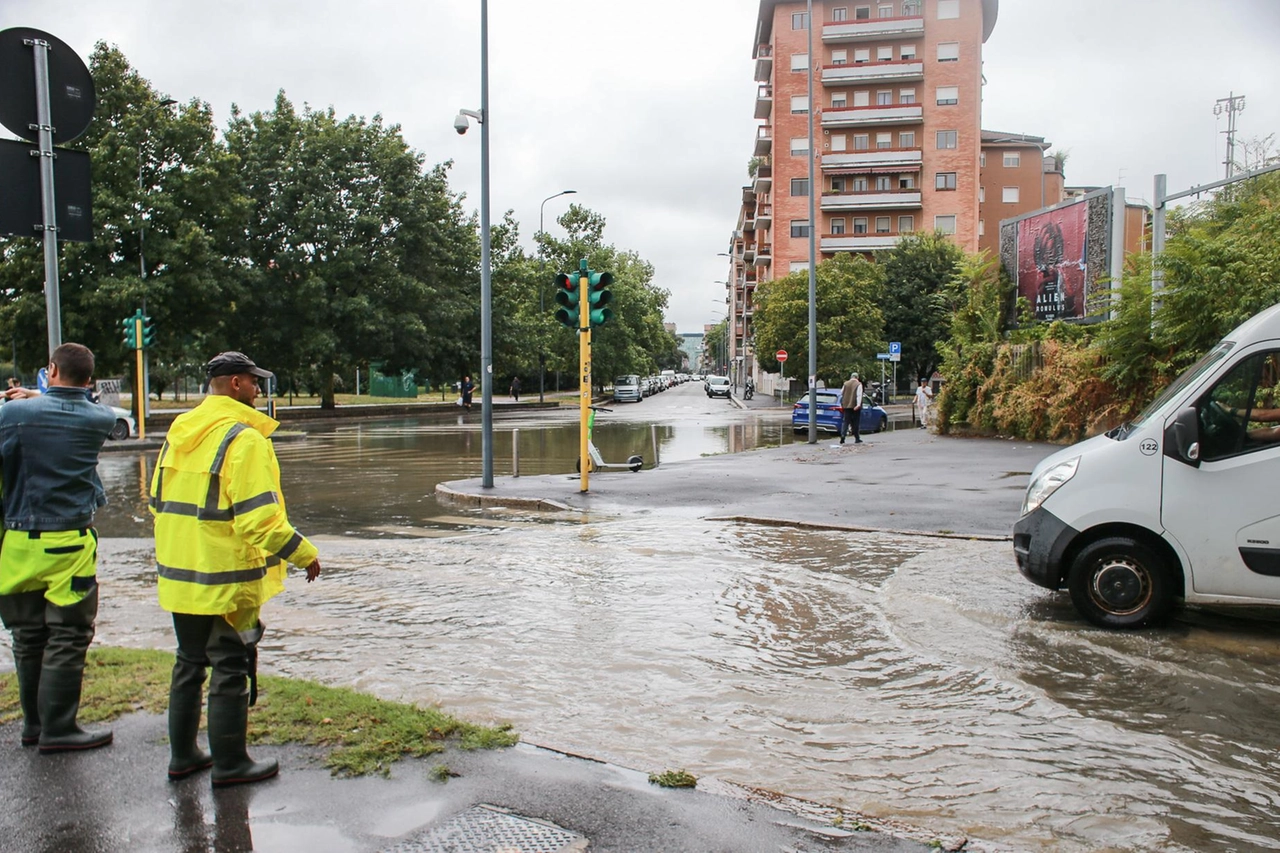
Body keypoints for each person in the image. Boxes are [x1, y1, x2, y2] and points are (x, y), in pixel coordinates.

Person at [150, 351, 321, 787]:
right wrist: (304, 553)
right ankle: (230, 764)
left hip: (180, 570)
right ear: (234, 385)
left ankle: (184, 756)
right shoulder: (245, 440)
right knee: (229, 663)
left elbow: (155, 500)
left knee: (189, 662)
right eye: (253, 381)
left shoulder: (179, 431)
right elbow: (259, 519)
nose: (259, 390)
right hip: (226, 578)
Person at [0, 343, 116, 752]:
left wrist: (25, 399)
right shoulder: (99, 420)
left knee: (27, 636)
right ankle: (60, 728)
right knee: (68, 636)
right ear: (89, 379)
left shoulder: (12, 416)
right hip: (69, 544)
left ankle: (32, 725)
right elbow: (80, 406)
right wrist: (45, 396)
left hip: (17, 544)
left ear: (50, 370)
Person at [839, 371, 864, 445]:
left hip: (846, 406)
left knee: (846, 421)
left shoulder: (845, 383)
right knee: (855, 422)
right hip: (854, 406)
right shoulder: (858, 384)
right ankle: (857, 438)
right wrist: (858, 405)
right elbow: (859, 395)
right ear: (857, 377)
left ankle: (843, 436)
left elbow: (841, 392)